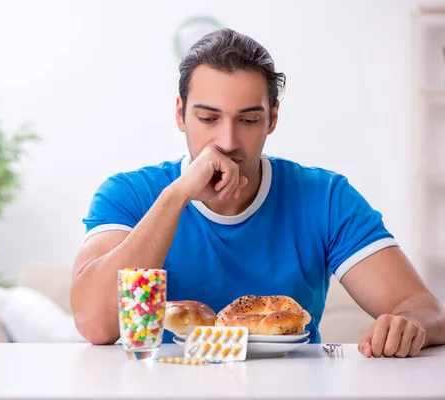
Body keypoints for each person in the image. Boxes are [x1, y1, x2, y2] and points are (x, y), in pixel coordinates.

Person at [70, 28, 445, 357]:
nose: (228, 141)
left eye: (248, 120)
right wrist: (176, 196)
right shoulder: (130, 194)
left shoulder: (325, 197)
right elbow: (95, 324)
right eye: (207, 119)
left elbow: (425, 309)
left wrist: (409, 325)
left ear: (273, 118)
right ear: (180, 114)